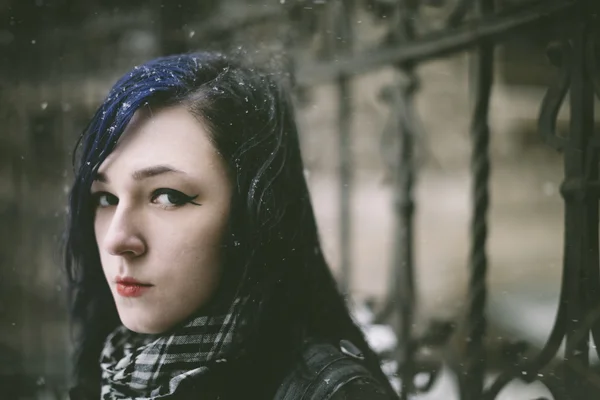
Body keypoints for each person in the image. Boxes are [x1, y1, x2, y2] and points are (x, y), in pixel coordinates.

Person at [64, 51, 398, 400]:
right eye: (106, 198)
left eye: (168, 196)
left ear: (253, 214)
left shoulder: (328, 394)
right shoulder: (108, 370)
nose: (118, 239)